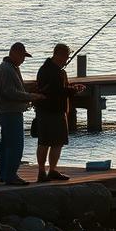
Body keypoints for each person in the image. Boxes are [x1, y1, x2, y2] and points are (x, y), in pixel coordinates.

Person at [0, 42, 43, 185]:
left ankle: (3, 174)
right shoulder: (6, 69)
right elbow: (10, 92)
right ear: (13, 53)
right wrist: (32, 96)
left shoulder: (11, 68)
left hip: (6, 111)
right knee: (16, 144)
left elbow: (17, 87)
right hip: (9, 111)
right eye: (22, 56)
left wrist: (30, 88)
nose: (23, 59)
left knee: (6, 144)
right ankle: (11, 176)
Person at [34, 43, 85, 182]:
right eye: (66, 57)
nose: (67, 60)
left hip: (56, 110)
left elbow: (60, 89)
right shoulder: (50, 71)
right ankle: (41, 171)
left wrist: (71, 88)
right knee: (44, 142)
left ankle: (52, 170)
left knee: (58, 142)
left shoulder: (54, 70)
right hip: (49, 110)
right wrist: (73, 90)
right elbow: (56, 91)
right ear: (58, 55)